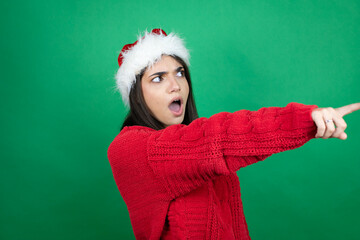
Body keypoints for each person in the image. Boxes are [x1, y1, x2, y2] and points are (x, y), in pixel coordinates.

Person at [107, 28, 360, 240]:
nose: (175, 85)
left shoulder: (195, 148)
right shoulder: (130, 149)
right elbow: (219, 136)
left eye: (180, 73)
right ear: (136, 95)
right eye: (158, 78)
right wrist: (302, 119)